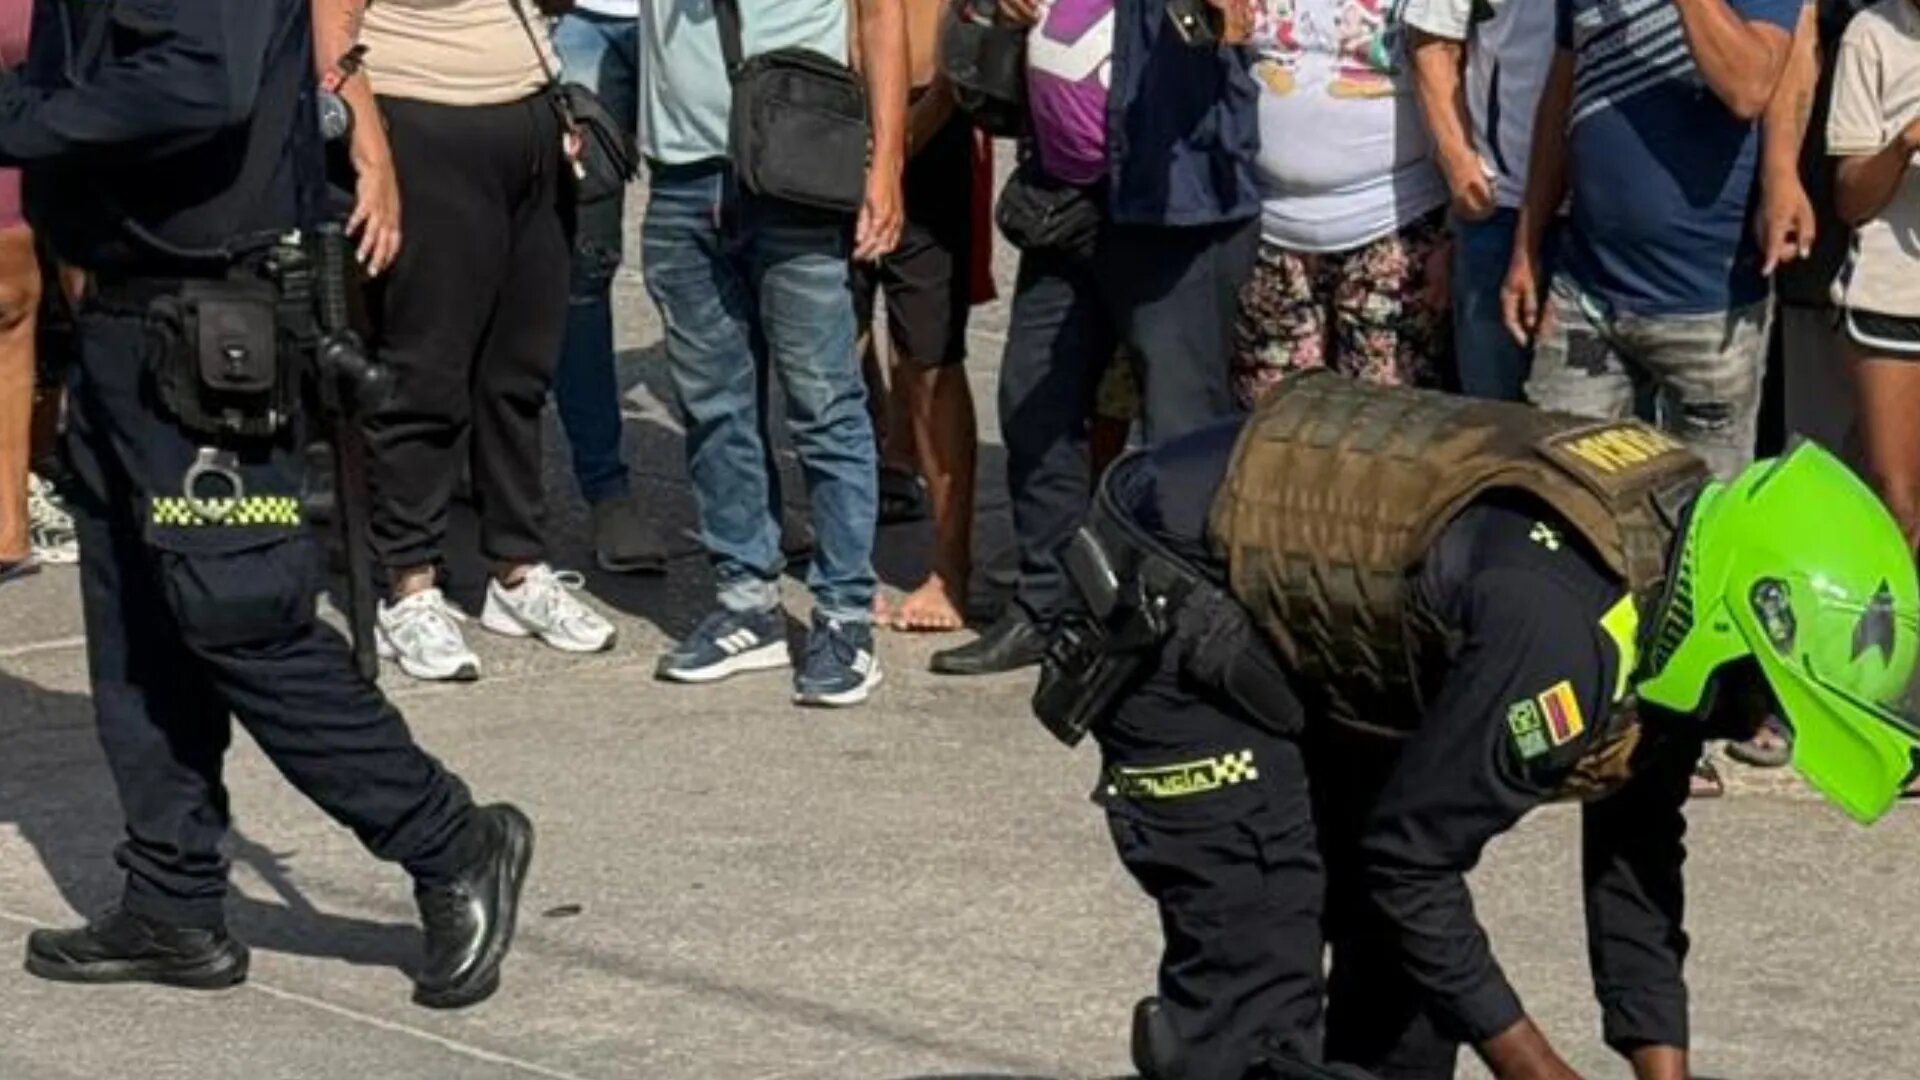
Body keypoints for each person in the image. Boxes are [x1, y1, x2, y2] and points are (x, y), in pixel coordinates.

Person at [1035, 373, 1920, 1080]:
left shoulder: (1682, 585)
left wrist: (1663, 1069)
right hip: (1174, 589)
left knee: (1417, 993)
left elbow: (1636, 853)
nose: (1762, 727)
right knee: (1257, 985)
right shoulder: (1560, 636)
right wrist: (1537, 1069)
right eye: (1769, 698)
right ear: (1737, 630)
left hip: (1319, 633)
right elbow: (1411, 861)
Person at [0, 0, 532, 1007]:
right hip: (125, 322)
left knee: (241, 618)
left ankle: (451, 840)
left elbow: (202, 80)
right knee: (138, 636)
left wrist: (21, 120)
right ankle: (172, 902)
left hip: (209, 327)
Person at [930, 0, 1262, 677]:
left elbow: (1233, 19)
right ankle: (1047, 609)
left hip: (1175, 214)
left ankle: (1180, 628)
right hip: (1065, 201)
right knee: (1033, 402)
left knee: (1181, 432)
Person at [328, 0, 617, 683]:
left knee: (518, 370)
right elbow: (330, 32)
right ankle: (409, 585)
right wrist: (375, 162)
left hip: (529, 120)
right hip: (421, 122)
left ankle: (517, 570)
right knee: (425, 368)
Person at [642, 0, 907, 707]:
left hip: (796, 163)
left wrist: (886, 165)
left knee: (824, 404)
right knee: (713, 405)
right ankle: (745, 604)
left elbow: (882, 19)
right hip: (682, 174)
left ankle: (846, 617)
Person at [1502, 0, 1802, 481]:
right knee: (1558, 490)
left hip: (1708, 305)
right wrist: (1526, 244)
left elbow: (1750, 88)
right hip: (1586, 294)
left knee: (1703, 511)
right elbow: (1561, 97)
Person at [1230, 0, 1452, 403]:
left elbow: (1461, 72)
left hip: (1395, 224)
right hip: (1267, 229)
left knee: (1385, 425)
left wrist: (1456, 227)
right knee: (1270, 427)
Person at [857, 0, 983, 634]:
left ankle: (950, 567)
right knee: (831, 348)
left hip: (929, 109)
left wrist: (909, 134)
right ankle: (845, 561)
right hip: (814, 108)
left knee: (932, 359)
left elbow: (976, 21)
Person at [551, 0, 670, 575]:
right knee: (584, 267)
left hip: (697, 24)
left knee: (720, 249)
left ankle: (750, 487)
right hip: (581, 20)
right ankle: (607, 492)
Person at [1407, 0, 1558, 401]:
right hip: (1502, 208)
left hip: (1610, 213)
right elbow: (1432, 41)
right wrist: (1461, 170)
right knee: (1494, 417)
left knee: (1607, 433)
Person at [1830, 0, 1920, 544]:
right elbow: (1850, 200)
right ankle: (1900, 630)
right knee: (1898, 502)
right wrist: (1906, 140)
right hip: (1891, 301)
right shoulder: (1871, 34)